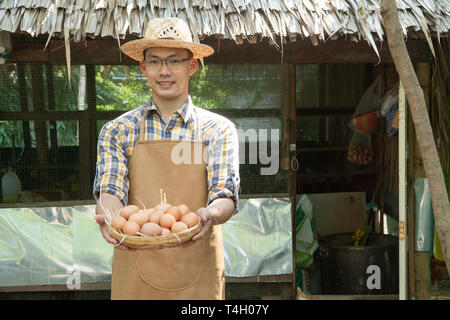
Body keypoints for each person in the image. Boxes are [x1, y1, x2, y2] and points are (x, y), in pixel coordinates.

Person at [93, 17, 240, 300]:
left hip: (198, 267)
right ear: (143, 67)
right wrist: (111, 219)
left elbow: (225, 195)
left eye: (174, 61)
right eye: (156, 61)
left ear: (192, 66)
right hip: (135, 265)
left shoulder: (217, 130)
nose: (165, 71)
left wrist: (210, 214)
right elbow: (110, 189)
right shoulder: (118, 130)